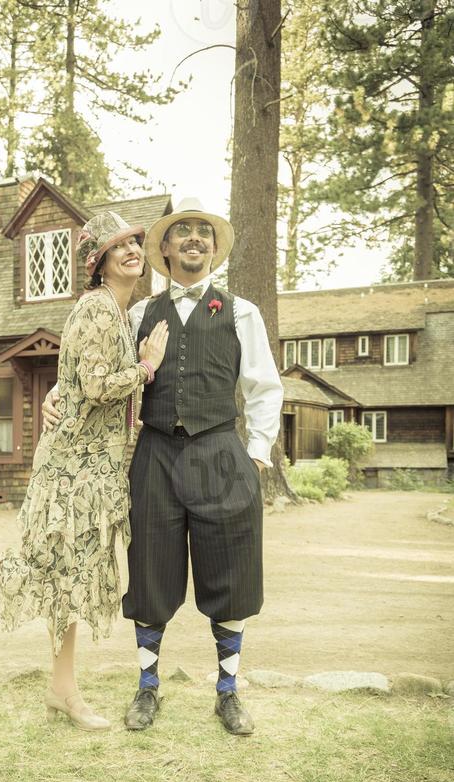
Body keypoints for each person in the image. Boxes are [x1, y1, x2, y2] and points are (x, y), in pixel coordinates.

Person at [0, 211, 169, 732]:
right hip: (72, 471)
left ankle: (61, 691)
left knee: (67, 581)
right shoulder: (95, 308)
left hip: (96, 470)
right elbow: (94, 387)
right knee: (53, 574)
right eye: (120, 248)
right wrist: (146, 367)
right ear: (100, 264)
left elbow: (76, 384)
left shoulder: (119, 312)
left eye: (135, 243)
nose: (133, 251)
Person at [42, 199, 283, 735]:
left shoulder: (241, 312)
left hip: (221, 453)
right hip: (153, 456)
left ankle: (227, 692)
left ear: (214, 249)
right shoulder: (135, 314)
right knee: (150, 574)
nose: (194, 239)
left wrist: (258, 451)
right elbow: (95, 363)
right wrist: (56, 393)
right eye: (182, 233)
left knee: (230, 576)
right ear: (166, 250)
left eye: (203, 233)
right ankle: (147, 688)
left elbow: (264, 387)